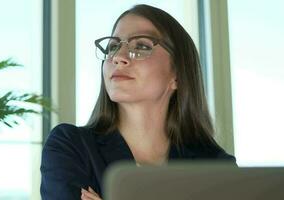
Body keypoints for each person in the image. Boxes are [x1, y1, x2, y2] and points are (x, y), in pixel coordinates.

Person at [40, 4, 236, 200]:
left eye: (141, 46)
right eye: (113, 47)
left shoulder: (216, 167)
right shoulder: (70, 146)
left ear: (177, 74)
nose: (118, 57)